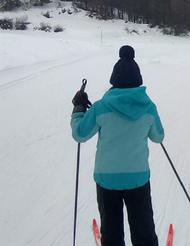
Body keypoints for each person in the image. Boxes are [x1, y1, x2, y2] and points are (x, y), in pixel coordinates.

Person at [71, 45, 164, 246]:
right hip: (138, 179)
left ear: (114, 81)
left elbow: (80, 135)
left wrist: (79, 108)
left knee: (111, 231)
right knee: (143, 229)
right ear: (138, 81)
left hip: (107, 180)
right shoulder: (148, 107)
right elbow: (158, 137)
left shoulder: (101, 107)